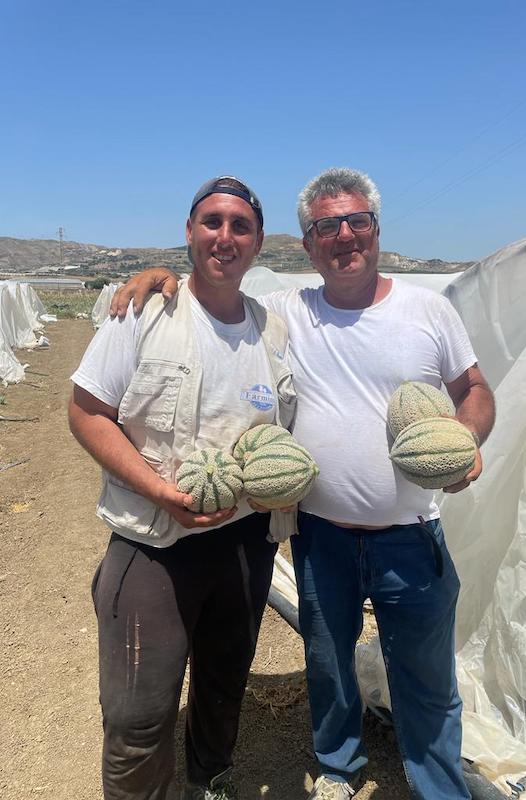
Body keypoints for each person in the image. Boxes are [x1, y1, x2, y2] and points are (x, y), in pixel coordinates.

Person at [112, 167, 496, 800]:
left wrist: (466, 439)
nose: (344, 235)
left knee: (426, 676)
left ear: (376, 229)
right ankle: (338, 769)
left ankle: (440, 788)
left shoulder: (428, 310)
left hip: (409, 534)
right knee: (329, 666)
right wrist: (160, 276)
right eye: (325, 227)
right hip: (320, 537)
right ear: (308, 244)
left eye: (356, 221)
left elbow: (474, 389)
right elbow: (216, 290)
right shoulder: (287, 313)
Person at [69, 176, 296, 800]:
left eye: (240, 225)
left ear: (258, 242)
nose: (225, 236)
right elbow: (87, 413)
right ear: (190, 231)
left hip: (245, 541)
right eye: (212, 221)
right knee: (138, 716)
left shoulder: (274, 330)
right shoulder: (145, 313)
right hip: (155, 540)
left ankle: (209, 782)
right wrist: (159, 490)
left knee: (223, 685)